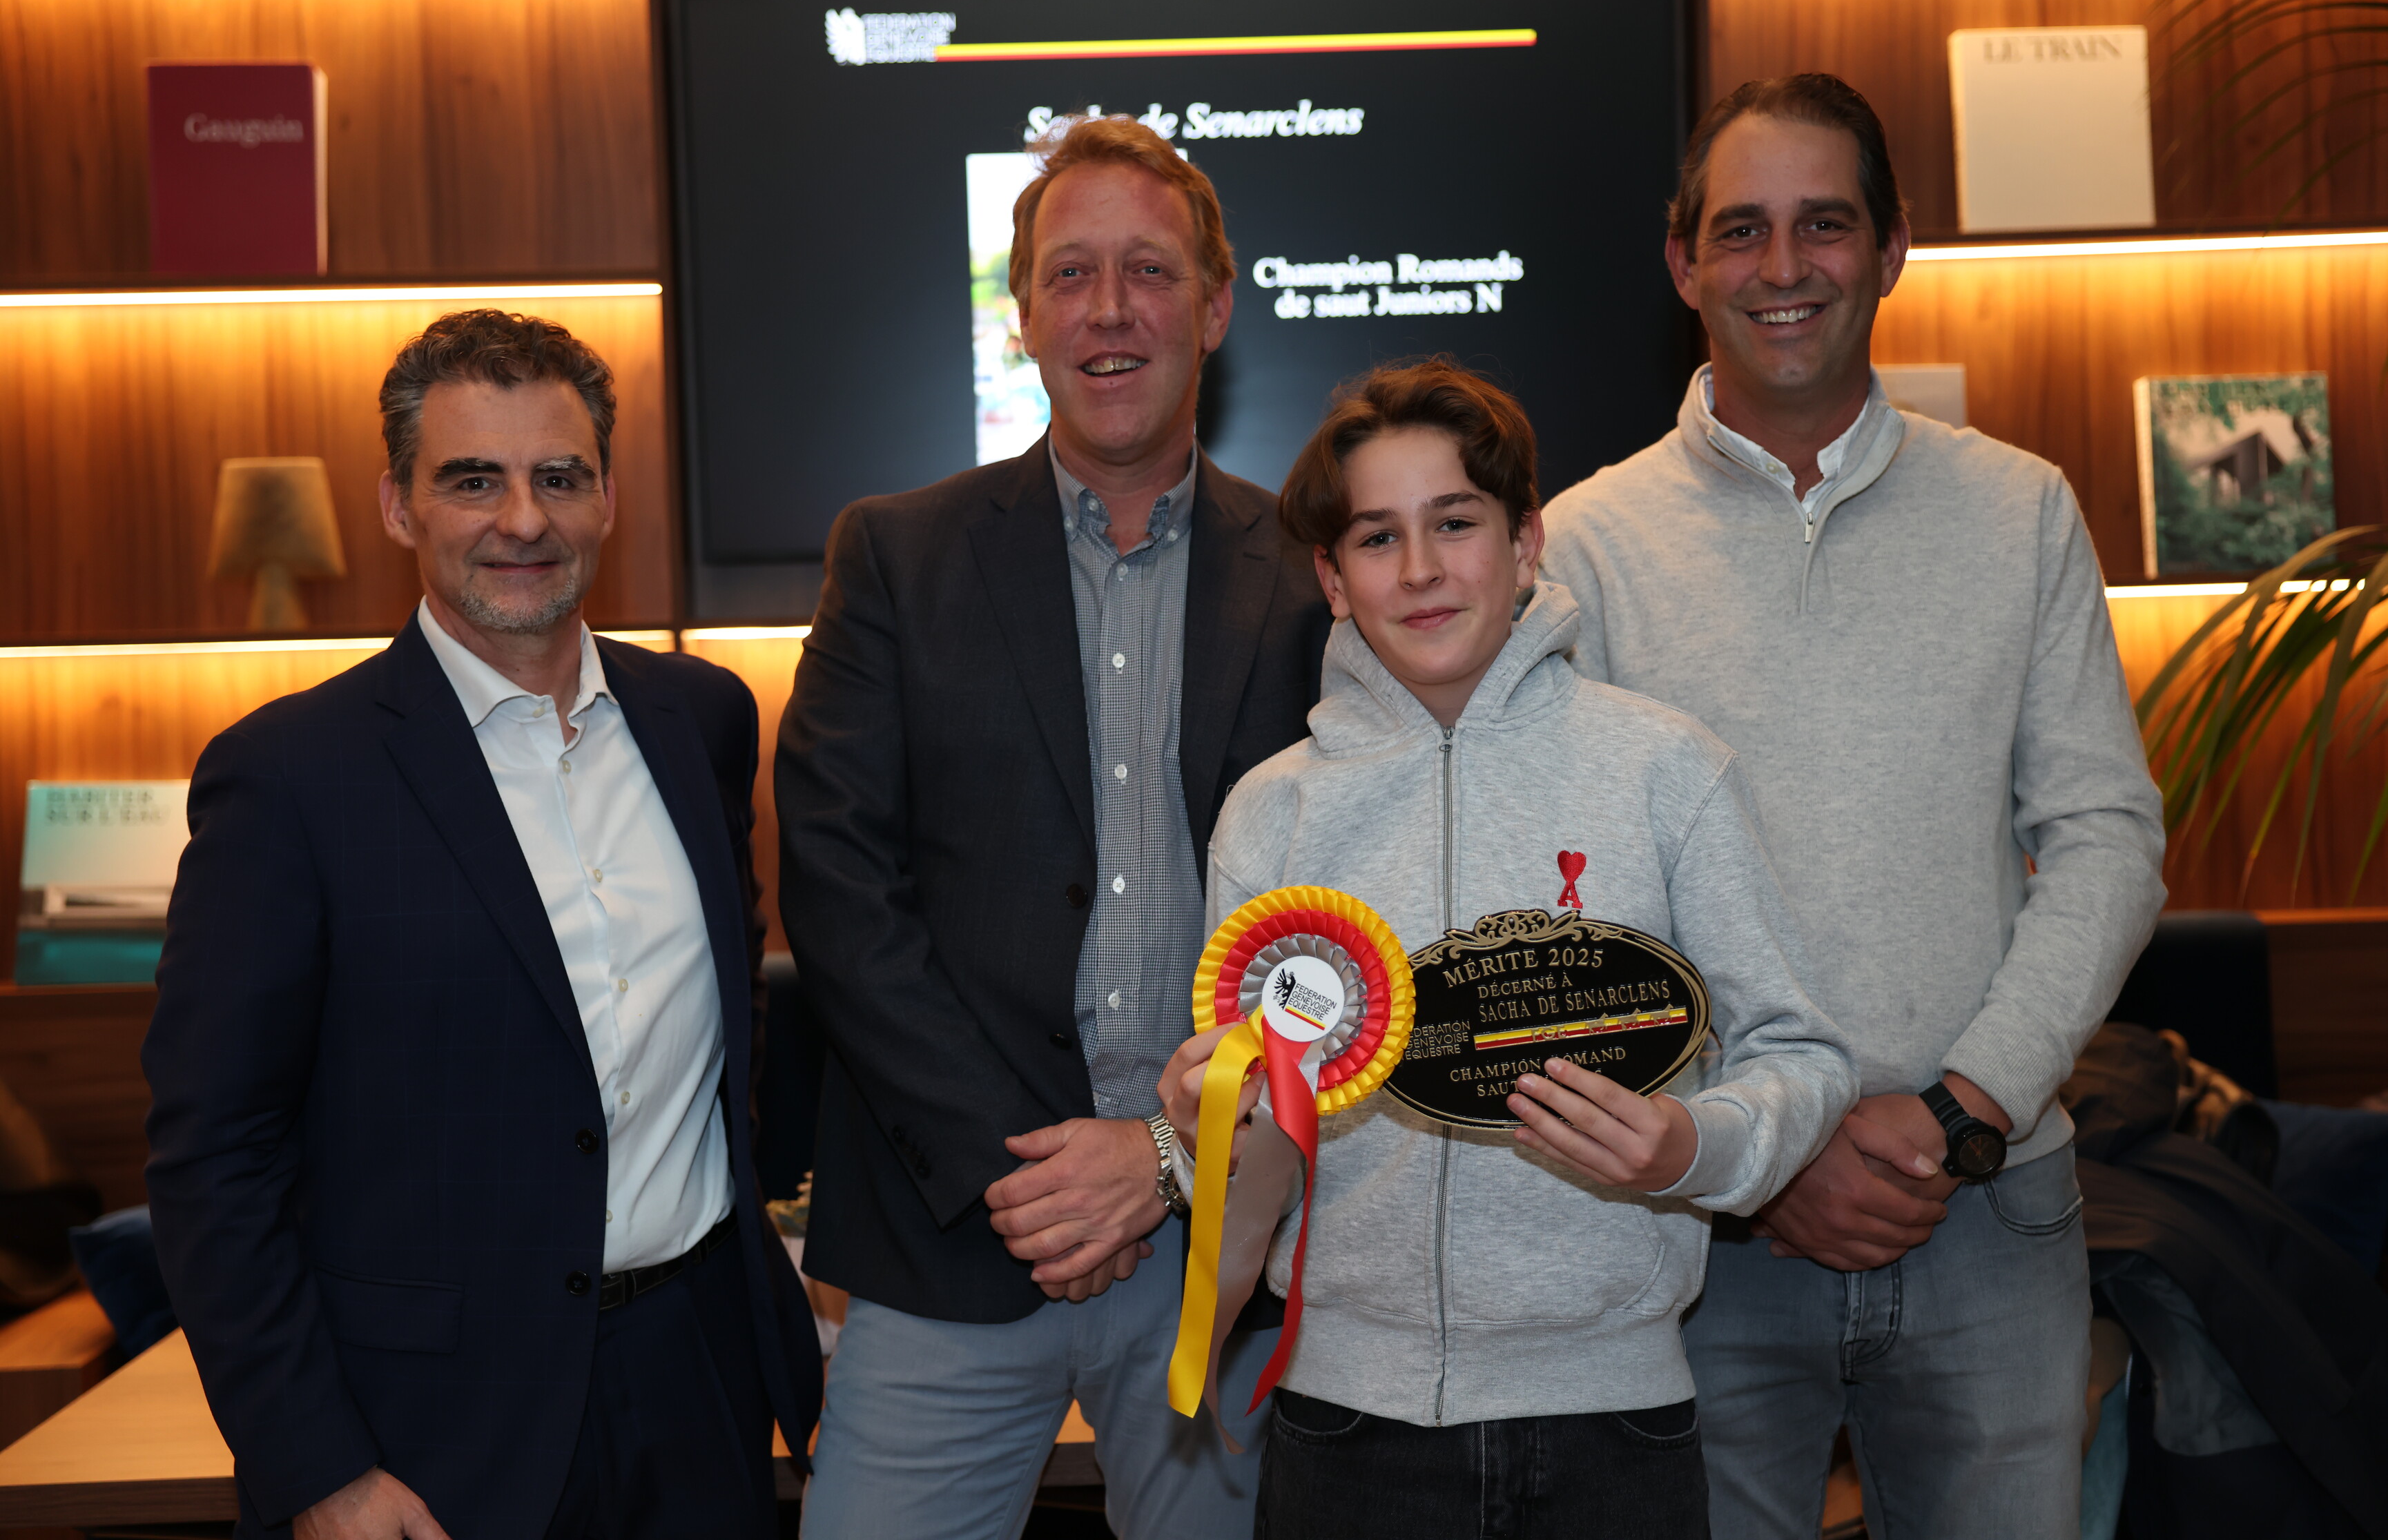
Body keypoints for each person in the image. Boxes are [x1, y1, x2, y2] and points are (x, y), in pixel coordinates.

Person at [1540, 74, 2168, 1538]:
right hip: (1702, 1239)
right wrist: (1765, 1162)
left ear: (1891, 247)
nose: (1783, 266)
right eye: (1740, 229)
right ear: (1682, 261)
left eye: (1823, 224)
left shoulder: (2020, 510)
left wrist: (1960, 1110)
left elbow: (2107, 841)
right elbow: (1572, 910)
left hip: (1987, 1212)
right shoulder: (1581, 546)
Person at [144, 310, 822, 1540]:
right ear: (398, 507)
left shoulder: (704, 720)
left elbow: (728, 1042)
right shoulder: (288, 776)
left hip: (701, 1388)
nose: (523, 520)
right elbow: (214, 1160)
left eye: (559, 477)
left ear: (608, 497)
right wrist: (318, 1469)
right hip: (427, 1438)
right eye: (472, 480)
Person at [1158, 359, 1859, 1540]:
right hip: (1346, 1424)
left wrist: (1691, 1145)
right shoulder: (1274, 813)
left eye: (1456, 523)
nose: (1420, 570)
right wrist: (1207, 1129)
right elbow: (1255, 1160)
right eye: (1376, 538)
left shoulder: (1664, 770)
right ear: (1332, 579)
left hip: (1614, 1421)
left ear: (1527, 541)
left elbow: (1803, 1053)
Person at [777, 115, 1332, 1539]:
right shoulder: (893, 555)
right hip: (959, 1232)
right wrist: (1024, 1175)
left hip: (1227, 1239)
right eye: (1070, 273)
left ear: (1215, 305)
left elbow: (1351, 916)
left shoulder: (1317, 576)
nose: (1108, 309)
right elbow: (838, 889)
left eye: (1148, 270)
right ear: (1021, 314)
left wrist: (1158, 1162)